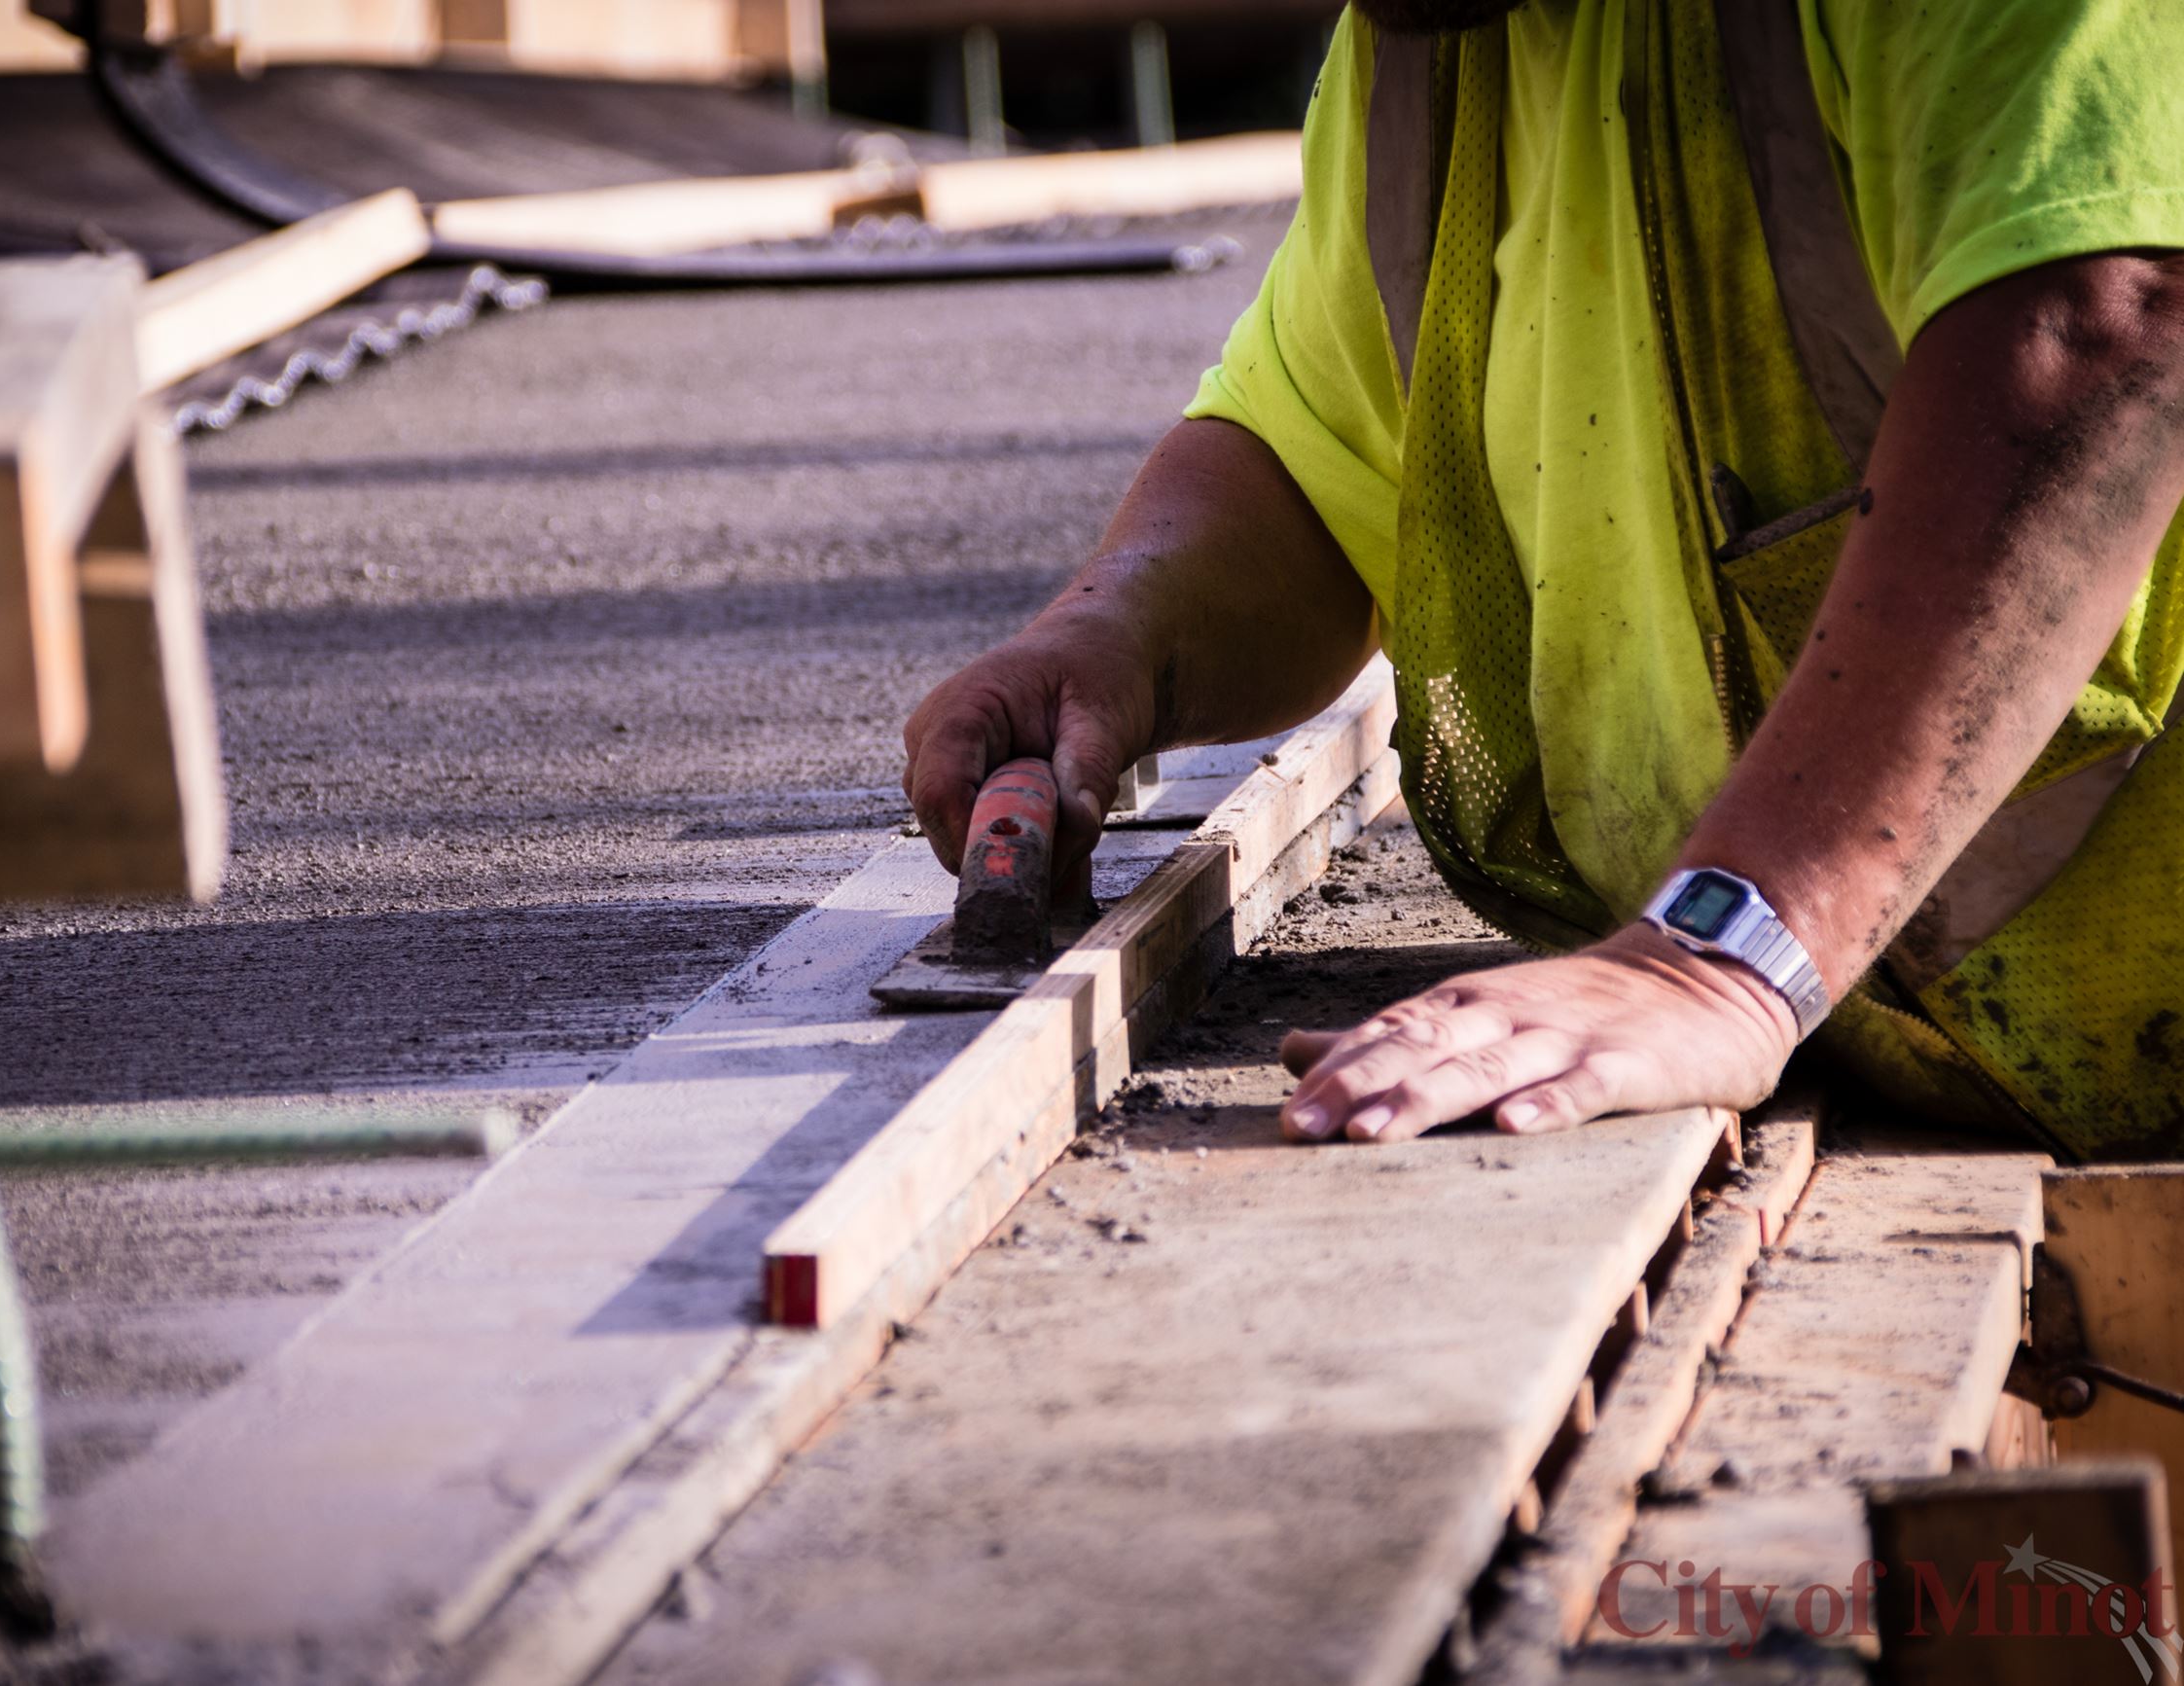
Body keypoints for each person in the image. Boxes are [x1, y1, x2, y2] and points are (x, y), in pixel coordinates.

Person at [899, 0, 2184, 1160]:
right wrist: (1111, 638)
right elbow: (1319, 456)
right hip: (1949, 1052)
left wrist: (1731, 948)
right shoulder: (1433, 44)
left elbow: (2105, 327)